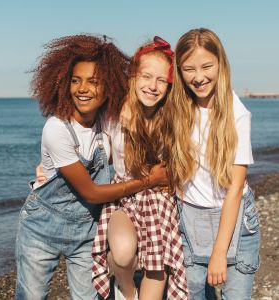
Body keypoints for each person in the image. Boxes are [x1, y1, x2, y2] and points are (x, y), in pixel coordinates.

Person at [15, 34, 168, 300]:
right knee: (31, 295)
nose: (83, 88)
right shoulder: (56, 128)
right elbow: (91, 193)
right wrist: (150, 180)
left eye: (93, 82)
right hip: (41, 231)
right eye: (76, 81)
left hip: (86, 231)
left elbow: (126, 144)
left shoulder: (105, 122)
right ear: (64, 84)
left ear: (108, 87)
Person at [166, 28, 260, 299]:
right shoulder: (178, 108)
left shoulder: (236, 113)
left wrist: (220, 251)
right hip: (189, 218)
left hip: (235, 222)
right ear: (179, 70)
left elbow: (235, 188)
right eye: (188, 69)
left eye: (207, 66)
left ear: (221, 63)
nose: (198, 77)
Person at [92, 36, 188, 300]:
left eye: (161, 80)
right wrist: (49, 164)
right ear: (134, 76)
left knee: (156, 268)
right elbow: (89, 145)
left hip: (160, 202)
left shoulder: (172, 118)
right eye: (146, 76)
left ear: (169, 86)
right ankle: (126, 289)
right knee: (122, 254)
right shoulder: (113, 115)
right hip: (124, 196)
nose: (153, 86)